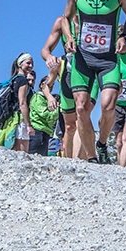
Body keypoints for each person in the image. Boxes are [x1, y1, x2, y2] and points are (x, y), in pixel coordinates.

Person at [62, 0, 126, 164]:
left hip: (108, 59)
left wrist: (124, 36)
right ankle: (93, 158)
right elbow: (66, 18)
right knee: (81, 107)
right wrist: (68, 38)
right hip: (83, 59)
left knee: (108, 106)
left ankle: (102, 143)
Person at [41, 15, 91, 159]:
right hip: (67, 82)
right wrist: (50, 97)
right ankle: (69, 161)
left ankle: (79, 160)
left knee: (82, 115)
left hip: (88, 74)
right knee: (69, 127)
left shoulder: (93, 18)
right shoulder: (60, 62)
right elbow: (46, 84)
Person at [0, 53, 35, 152]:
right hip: (19, 120)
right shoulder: (23, 81)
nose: (31, 66)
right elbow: (22, 103)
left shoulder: (14, 80)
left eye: (32, 63)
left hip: (11, 120)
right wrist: (29, 125)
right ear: (20, 64)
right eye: (28, 63)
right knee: (22, 152)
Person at [29, 77, 60, 156]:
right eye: (47, 85)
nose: (50, 87)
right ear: (41, 85)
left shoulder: (47, 99)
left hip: (45, 131)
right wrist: (57, 109)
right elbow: (45, 114)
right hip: (37, 131)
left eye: (52, 85)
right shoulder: (38, 97)